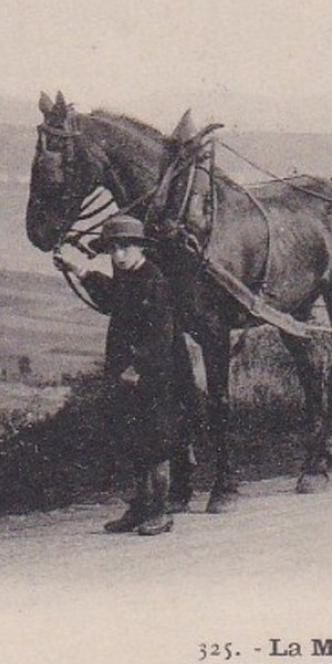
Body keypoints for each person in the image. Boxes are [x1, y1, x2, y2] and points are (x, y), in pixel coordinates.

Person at [55, 215, 196, 536]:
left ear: (140, 248)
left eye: (125, 247)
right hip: (128, 376)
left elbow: (161, 336)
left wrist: (137, 368)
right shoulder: (128, 278)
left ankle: (160, 510)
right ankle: (140, 506)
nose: (118, 255)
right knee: (134, 440)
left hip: (157, 376)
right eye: (113, 249)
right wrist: (77, 270)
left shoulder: (153, 280)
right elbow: (108, 295)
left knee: (157, 440)